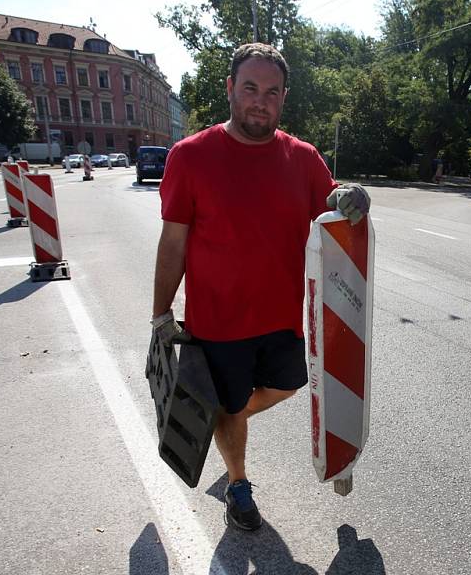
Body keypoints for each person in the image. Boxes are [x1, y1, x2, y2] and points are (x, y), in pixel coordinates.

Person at [150, 43, 370, 531]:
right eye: (249, 88)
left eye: (271, 92)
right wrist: (160, 315)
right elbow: (173, 244)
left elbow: (333, 208)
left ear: (283, 99)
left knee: (288, 385)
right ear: (230, 89)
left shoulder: (303, 158)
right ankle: (238, 484)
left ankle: (222, 420)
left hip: (282, 316)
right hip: (218, 321)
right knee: (231, 405)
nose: (260, 101)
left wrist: (352, 195)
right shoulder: (191, 156)